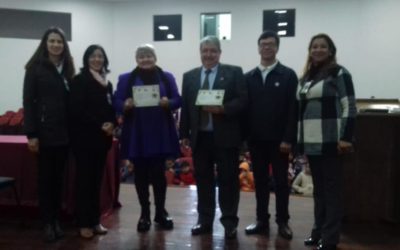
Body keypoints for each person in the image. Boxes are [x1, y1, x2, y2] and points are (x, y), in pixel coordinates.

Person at [179, 36, 247, 239]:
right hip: (200, 138)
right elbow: (186, 107)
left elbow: (243, 100)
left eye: (213, 51)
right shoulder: (189, 76)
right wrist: (183, 134)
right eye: (205, 51)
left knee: (228, 181)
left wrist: (223, 109)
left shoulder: (234, 72)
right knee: (203, 180)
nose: (208, 54)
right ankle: (204, 220)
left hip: (226, 137)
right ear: (200, 52)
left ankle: (229, 222)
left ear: (219, 53)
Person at [114, 44, 181, 232]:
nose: (145, 59)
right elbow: (116, 101)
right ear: (136, 59)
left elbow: (178, 99)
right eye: (141, 56)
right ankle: (145, 214)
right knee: (140, 175)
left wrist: (169, 103)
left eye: (149, 55)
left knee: (159, 175)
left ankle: (160, 212)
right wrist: (124, 105)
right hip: (138, 133)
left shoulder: (167, 77)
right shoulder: (126, 79)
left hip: (160, 131)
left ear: (155, 57)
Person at [298, 34, 356, 250]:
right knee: (319, 191)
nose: (318, 50)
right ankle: (318, 231)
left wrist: (345, 137)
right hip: (312, 143)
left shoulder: (339, 73)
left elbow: (349, 106)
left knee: (332, 192)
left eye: (323, 46)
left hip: (332, 142)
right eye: (314, 46)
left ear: (331, 50)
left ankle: (330, 238)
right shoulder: (307, 77)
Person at [243, 30, 297, 239]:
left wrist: (288, 138)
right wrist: (246, 139)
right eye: (263, 44)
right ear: (258, 48)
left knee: (282, 182)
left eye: (271, 44)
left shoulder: (288, 75)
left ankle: (283, 221)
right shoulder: (249, 77)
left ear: (277, 47)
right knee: (261, 182)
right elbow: (245, 110)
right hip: (256, 141)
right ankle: (261, 220)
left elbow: (293, 109)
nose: (266, 47)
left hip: (280, 142)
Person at [23, 27, 75, 242]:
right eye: (52, 41)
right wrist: (31, 134)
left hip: (64, 134)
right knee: (45, 180)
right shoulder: (35, 68)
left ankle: (56, 221)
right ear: (45, 43)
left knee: (58, 180)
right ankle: (47, 222)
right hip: (43, 134)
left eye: (59, 42)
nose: (56, 45)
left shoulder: (68, 69)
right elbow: (28, 102)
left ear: (64, 45)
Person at [68, 45, 116, 238]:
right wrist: (100, 125)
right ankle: (83, 223)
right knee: (84, 182)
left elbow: (110, 110)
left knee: (97, 182)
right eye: (93, 56)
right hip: (84, 140)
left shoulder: (107, 83)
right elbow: (77, 110)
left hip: (102, 141)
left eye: (100, 56)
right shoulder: (79, 81)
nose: (97, 59)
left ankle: (95, 221)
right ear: (86, 59)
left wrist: (112, 123)